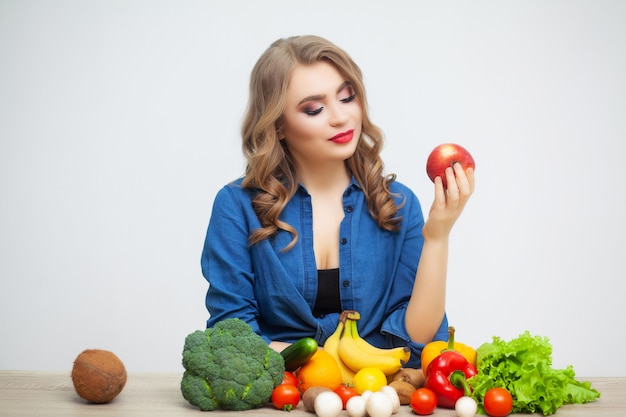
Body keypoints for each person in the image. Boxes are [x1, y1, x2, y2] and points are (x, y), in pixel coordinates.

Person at [201, 35, 474, 367]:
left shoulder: (399, 205)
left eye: (347, 97)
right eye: (315, 108)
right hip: (278, 398)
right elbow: (232, 333)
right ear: (279, 125)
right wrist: (322, 366)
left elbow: (416, 341)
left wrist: (438, 236)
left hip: (376, 393)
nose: (340, 117)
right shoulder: (237, 206)